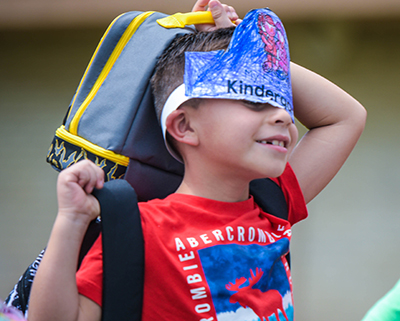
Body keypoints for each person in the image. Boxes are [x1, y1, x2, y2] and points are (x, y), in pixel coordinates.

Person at [27, 0, 367, 320]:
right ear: (184, 126)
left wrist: (247, 48)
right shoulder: (138, 230)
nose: (283, 117)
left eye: (283, 101)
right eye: (255, 101)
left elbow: (347, 116)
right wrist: (71, 221)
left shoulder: (271, 205)